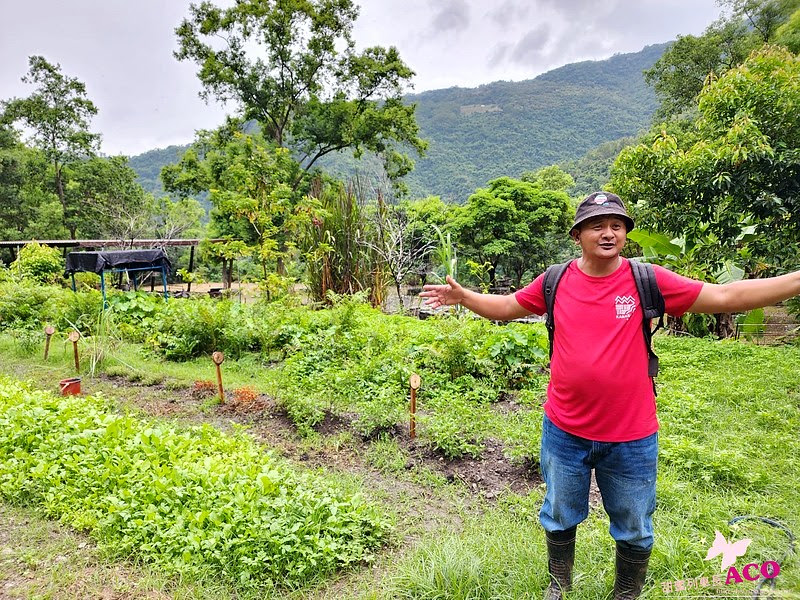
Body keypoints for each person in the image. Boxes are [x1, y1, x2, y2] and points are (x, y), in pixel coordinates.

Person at [419, 191, 800, 600]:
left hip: (632, 434)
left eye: (616, 225)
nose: (608, 232)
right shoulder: (555, 280)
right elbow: (508, 306)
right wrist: (465, 298)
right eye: (597, 225)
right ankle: (559, 584)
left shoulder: (646, 279)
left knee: (635, 523)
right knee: (560, 514)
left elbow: (725, 296)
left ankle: (626, 593)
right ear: (578, 235)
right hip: (564, 430)